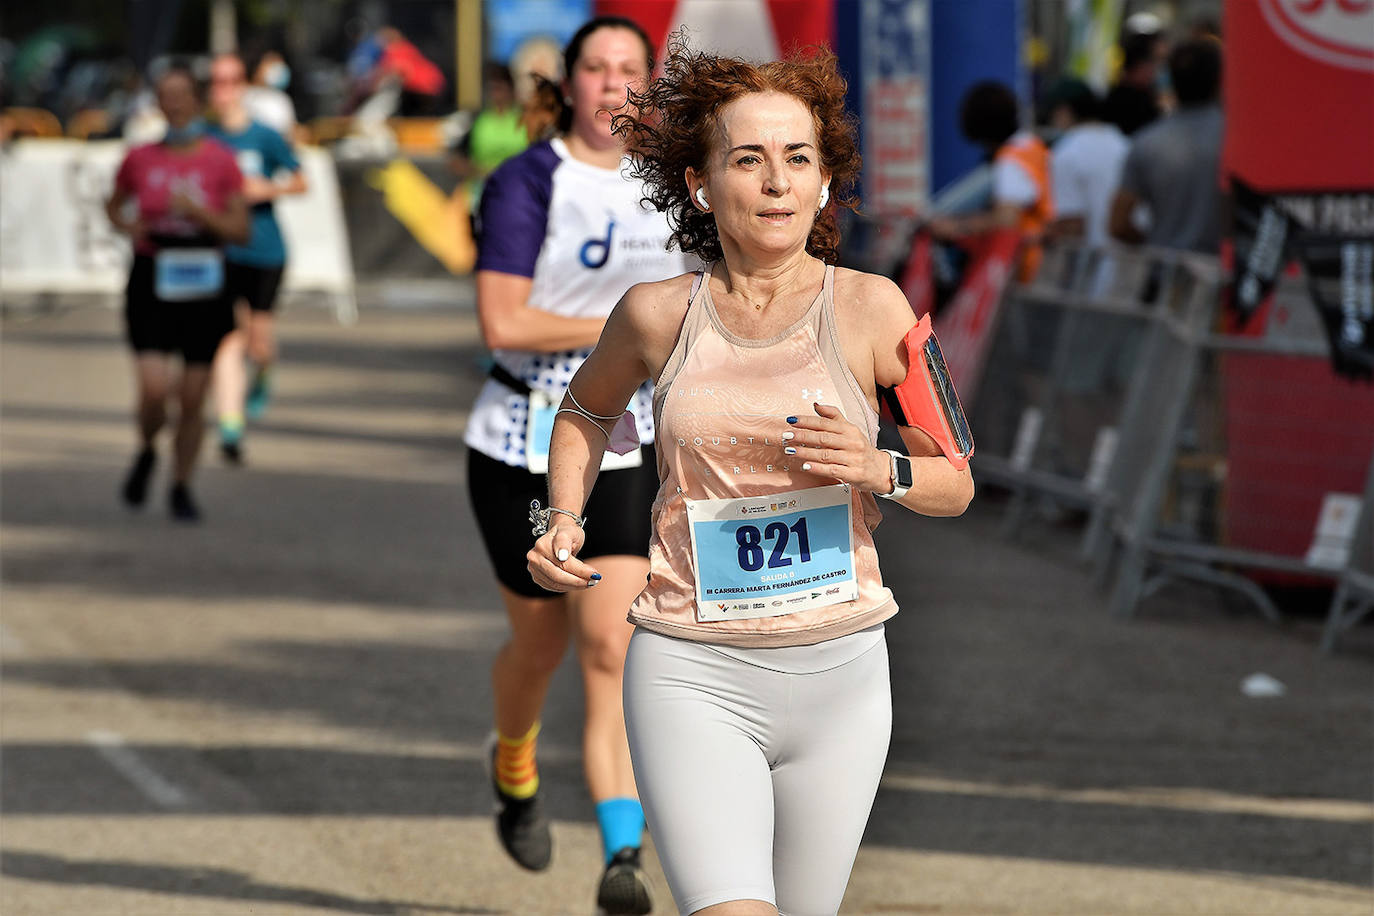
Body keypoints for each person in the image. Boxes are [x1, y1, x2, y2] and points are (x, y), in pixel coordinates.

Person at [527, 40, 975, 915]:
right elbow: (583, 411)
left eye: (797, 159)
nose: (776, 181)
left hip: (841, 678)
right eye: (749, 159)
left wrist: (878, 465)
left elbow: (955, 481)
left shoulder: (874, 308)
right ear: (700, 185)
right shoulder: (656, 314)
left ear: (823, 183)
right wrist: (563, 516)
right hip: (692, 669)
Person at [463, 16, 688, 915]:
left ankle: (623, 856)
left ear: (648, 85)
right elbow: (505, 323)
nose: (611, 84)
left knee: (612, 642)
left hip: (631, 444)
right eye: (594, 68)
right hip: (525, 439)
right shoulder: (527, 181)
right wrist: (630, 340)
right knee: (541, 640)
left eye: (629, 69)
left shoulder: (677, 185)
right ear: (569, 83)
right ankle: (513, 763)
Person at [105, 62, 249, 521]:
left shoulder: (219, 159)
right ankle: (148, 447)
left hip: (204, 277)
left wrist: (199, 212)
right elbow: (113, 203)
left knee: (192, 396)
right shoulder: (140, 158)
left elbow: (240, 228)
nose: (175, 104)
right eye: (166, 95)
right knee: (153, 389)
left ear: (197, 99)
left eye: (182, 94)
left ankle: (181, 484)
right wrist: (129, 224)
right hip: (152, 273)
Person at [206, 52, 308, 464]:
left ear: (244, 86)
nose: (224, 90)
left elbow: (300, 181)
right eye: (216, 81)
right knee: (228, 336)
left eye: (231, 81)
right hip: (220, 251)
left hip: (264, 250)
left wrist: (265, 189)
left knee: (257, 339)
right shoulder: (203, 136)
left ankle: (264, 371)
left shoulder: (264, 135)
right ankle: (230, 425)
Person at [928, 80, 1053, 282]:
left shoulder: (1011, 160)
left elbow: (1006, 218)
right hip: (1045, 262)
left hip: (1027, 267)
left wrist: (955, 227)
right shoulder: (1033, 146)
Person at [1109, 39, 1224, 254]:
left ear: (1170, 81)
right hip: (1226, 273)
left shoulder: (1147, 142)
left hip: (1164, 270)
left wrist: (1152, 242)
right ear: (1220, 80)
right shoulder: (1236, 142)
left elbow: (1118, 224)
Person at [1045, 77, 1128, 249]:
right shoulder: (1123, 143)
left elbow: (1072, 225)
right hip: (1133, 265)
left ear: (1064, 111)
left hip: (1093, 266)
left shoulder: (1067, 153)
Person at [449, 62, 529, 207]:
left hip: (519, 197)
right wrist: (479, 172)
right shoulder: (477, 120)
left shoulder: (526, 120)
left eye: (500, 88)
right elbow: (456, 161)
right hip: (481, 197)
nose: (496, 95)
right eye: (492, 89)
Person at [244, 50, 298, 141]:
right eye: (272, 64)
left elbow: (292, 130)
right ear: (259, 68)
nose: (278, 71)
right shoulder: (245, 95)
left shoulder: (283, 99)